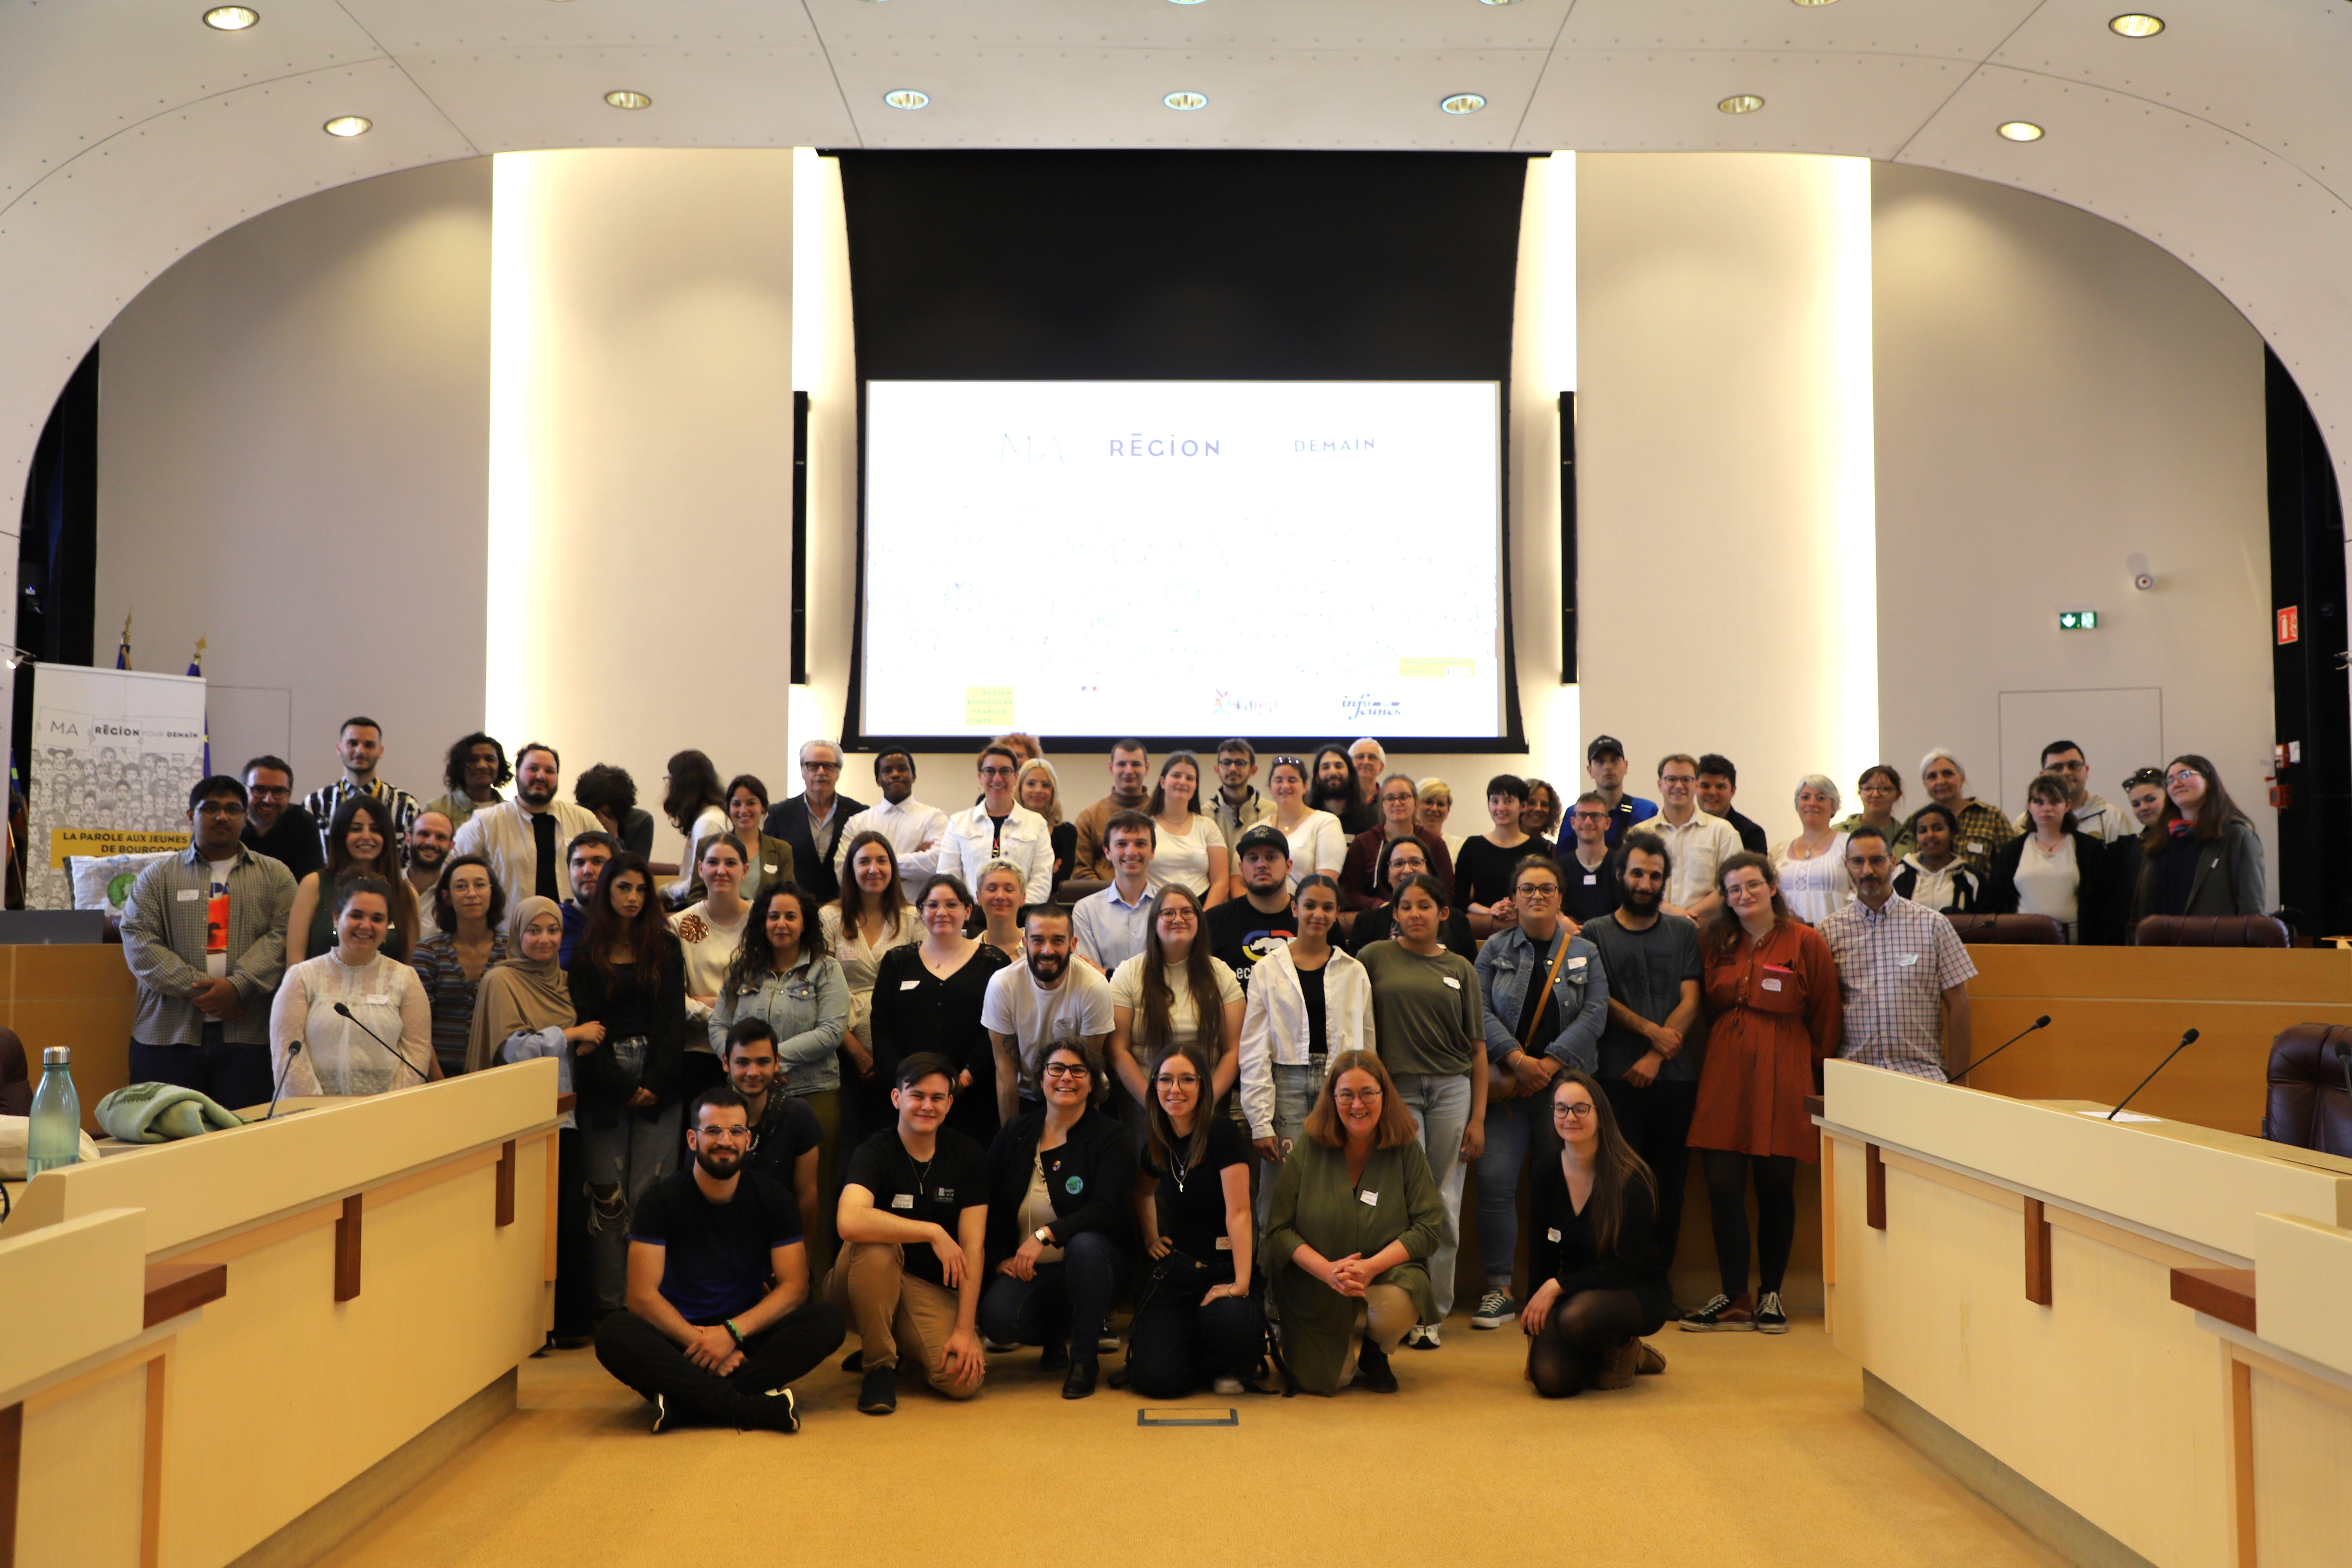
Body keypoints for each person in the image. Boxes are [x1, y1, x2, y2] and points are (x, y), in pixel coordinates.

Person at [593, 1086, 847, 1434]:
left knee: (828, 1320)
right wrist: (704, 1344)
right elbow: (641, 1296)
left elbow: (794, 1288)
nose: (725, 1140)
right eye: (713, 1131)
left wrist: (730, 1335)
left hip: (745, 1334)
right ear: (692, 1139)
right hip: (677, 1336)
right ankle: (747, 1406)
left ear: (748, 1140)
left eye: (736, 1132)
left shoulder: (775, 1199)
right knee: (613, 1333)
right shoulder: (661, 1201)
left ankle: (685, 1401)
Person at [1681, 853, 1841, 1334]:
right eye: (1733, 889)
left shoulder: (1806, 941)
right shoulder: (1714, 942)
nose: (1744, 895)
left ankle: (1772, 1293)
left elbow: (1826, 1015)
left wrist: (1804, 1070)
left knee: (1776, 1188)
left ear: (1772, 886)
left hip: (1786, 1073)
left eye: (1752, 885)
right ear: (1725, 898)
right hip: (1725, 1072)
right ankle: (1734, 1295)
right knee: (1723, 1186)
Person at [1470, 854, 1607, 1332]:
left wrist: (1548, 1064)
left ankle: (1560, 1285)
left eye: (1546, 889)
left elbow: (1595, 1013)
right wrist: (1515, 1058)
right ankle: (1499, 1288)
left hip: (1563, 1090)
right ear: (1514, 897)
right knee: (1495, 1183)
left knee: (1566, 1190)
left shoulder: (1584, 951)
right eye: (1527, 889)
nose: (1537, 897)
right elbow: (1479, 1007)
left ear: (1560, 896)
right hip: (1508, 1089)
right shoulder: (1493, 949)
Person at [1263, 1051, 1444, 1395]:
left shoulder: (1406, 1149)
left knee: (1395, 1303)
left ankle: (1377, 1352)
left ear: (1384, 1096)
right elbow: (1278, 1231)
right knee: (1325, 1382)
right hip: (1316, 1281)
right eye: (1346, 1094)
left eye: (1367, 1094)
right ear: (1332, 1098)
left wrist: (1372, 1268)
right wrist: (1327, 1271)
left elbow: (1428, 1228)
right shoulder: (1309, 1147)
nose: (1357, 1105)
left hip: (1385, 1276)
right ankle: (1330, 1341)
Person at [1356, 872, 1486, 1347]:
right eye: (1406, 906)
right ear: (1394, 913)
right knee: (1408, 1203)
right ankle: (1403, 1303)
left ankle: (1434, 1310)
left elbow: (1477, 1049)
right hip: (1399, 1090)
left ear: (1443, 913)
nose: (1415, 914)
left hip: (1453, 1090)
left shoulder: (1461, 968)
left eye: (1425, 906)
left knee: (1445, 1204)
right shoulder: (1374, 958)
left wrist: (1478, 1118)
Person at [121, 774, 297, 1108]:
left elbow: (284, 936)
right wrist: (201, 990)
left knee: (244, 1144)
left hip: (250, 1036)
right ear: (191, 815)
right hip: (167, 1036)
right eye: (211, 808)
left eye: (233, 809)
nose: (222, 817)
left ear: (246, 817)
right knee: (162, 1144)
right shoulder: (158, 876)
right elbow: (139, 939)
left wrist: (238, 986)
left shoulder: (276, 876)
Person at [830, 1053, 991, 1413]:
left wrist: (966, 1328)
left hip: (926, 1287)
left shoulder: (968, 1155)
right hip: (858, 1280)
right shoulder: (874, 1151)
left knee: (960, 1379)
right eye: (917, 1095)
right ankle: (880, 1368)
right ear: (896, 1098)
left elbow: (974, 1247)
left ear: (950, 1103)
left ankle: (900, 1348)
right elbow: (850, 1221)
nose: (927, 1106)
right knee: (877, 1248)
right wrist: (933, 1232)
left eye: (937, 1098)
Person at [567, 851, 691, 1315]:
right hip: (604, 1082)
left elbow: (673, 1022)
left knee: (650, 1197)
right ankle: (610, 1310)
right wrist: (622, 1085)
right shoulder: (587, 950)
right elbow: (585, 1025)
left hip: (661, 1078)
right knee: (608, 1200)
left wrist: (654, 1081)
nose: (634, 897)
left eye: (642, 889)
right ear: (606, 891)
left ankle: (650, 1307)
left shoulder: (665, 944)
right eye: (624, 888)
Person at [476, 895, 600, 1345]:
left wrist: (583, 1041)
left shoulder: (567, 982)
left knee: (567, 1217)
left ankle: (566, 1322)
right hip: (518, 1122)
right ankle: (523, 1326)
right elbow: (511, 1049)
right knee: (522, 1223)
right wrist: (570, 1035)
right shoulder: (501, 980)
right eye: (534, 930)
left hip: (563, 1118)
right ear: (517, 934)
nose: (545, 939)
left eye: (553, 930)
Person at [980, 1041, 1135, 1398]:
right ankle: (1053, 1337)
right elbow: (985, 1202)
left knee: (1085, 1243)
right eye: (1056, 1069)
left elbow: (1109, 1208)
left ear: (1093, 1083)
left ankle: (1084, 1358)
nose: (1067, 1078)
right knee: (1000, 1321)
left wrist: (1045, 1234)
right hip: (1032, 1271)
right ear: (1040, 1079)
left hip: (1100, 1267)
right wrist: (998, 1259)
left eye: (1078, 1071)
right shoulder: (1016, 1132)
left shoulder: (1111, 1136)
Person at [1582, 831, 1706, 1276]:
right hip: (1616, 1078)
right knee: (1622, 1185)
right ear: (1620, 874)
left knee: (1670, 1189)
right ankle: (1622, 1277)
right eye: (1637, 872)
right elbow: (1601, 999)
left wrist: (1656, 1055)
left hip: (1675, 1081)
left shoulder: (1683, 931)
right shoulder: (1595, 932)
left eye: (1655, 876)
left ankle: (1657, 1284)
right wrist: (1654, 1032)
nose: (1645, 883)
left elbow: (1692, 1000)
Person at [710, 882, 848, 1268]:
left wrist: (769, 1062)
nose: (781, 923)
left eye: (791, 916)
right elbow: (720, 1024)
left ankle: (811, 1289)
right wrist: (749, 1066)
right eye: (774, 915)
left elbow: (832, 1030)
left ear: (805, 923)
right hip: (744, 1099)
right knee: (742, 1192)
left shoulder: (827, 968)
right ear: (762, 921)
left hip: (813, 1093)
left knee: (811, 1198)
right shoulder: (743, 969)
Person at [1522, 1071, 1674, 1396]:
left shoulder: (1633, 1177)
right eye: (1561, 1109)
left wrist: (1556, 1287)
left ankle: (1627, 1347)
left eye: (1581, 1108)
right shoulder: (1546, 1170)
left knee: (1577, 1317)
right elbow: (1541, 1253)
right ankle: (1597, 1352)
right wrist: (1536, 1323)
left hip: (1634, 1290)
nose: (1570, 1117)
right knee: (1551, 1381)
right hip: (1575, 1291)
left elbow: (1624, 1268)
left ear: (1601, 1116)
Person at [1131, 1042, 1262, 1398]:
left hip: (1224, 1266)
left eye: (1187, 1080)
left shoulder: (1222, 1133)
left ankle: (1227, 1359)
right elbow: (1143, 1193)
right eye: (1166, 1080)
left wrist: (1241, 1282)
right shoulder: (1157, 1143)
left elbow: (1240, 1213)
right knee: (1156, 1381)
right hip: (1180, 1270)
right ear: (1155, 1087)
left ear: (1203, 1086)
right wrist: (1150, 1238)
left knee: (1232, 1323)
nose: (1176, 1090)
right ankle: (1194, 1350)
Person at [1238, 875, 1373, 1204]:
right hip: (1286, 1084)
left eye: (1328, 908)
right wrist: (1260, 1122)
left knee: (1340, 1186)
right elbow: (1255, 1048)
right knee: (1282, 1191)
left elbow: (1368, 1044)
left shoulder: (1353, 970)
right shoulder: (1267, 969)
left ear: (1337, 912)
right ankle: (1274, 1258)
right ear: (1295, 908)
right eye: (1310, 905)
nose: (1318, 914)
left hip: (1341, 1083)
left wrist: (1367, 1096)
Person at [1821, 827, 1979, 1081]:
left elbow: (1959, 1005)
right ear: (1846, 865)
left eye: (1877, 861)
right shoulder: (1828, 932)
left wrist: (1960, 1081)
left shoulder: (1933, 925)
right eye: (1858, 862)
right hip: (1854, 1076)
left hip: (1921, 1075)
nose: (1868, 871)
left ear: (1893, 862)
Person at [870, 875, 1014, 1144]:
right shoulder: (897, 961)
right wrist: (906, 1084)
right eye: (933, 905)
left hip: (973, 1095)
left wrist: (965, 1079)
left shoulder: (994, 962)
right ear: (921, 911)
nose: (942, 912)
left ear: (968, 911)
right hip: (908, 1098)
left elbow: (997, 1029)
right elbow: (882, 1025)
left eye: (952, 904)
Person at [269, 876, 435, 1095]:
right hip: (311, 1114)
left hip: (385, 1116)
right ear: (337, 919)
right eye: (356, 915)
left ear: (387, 927)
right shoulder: (302, 977)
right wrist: (317, 1112)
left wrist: (386, 1109)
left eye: (378, 919)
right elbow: (287, 1056)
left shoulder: (406, 979)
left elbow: (417, 1054)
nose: (366, 926)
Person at [1109, 885, 1244, 1136]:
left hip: (1208, 1101)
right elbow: (1118, 1050)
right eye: (1168, 913)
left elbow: (1234, 1050)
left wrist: (1205, 1103)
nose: (1178, 919)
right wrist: (1154, 1102)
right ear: (1154, 922)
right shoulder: (1128, 974)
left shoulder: (1221, 974)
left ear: (1199, 920)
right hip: (1144, 1104)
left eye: (1186, 912)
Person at [983, 902, 1114, 1125]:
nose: (1047, 950)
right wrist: (1011, 1138)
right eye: (1038, 940)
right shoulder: (1003, 984)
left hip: (1076, 1092)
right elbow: (1006, 1074)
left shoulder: (1094, 986)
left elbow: (1089, 1071)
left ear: (1073, 944)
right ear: (1025, 943)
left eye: (1058, 941)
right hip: (1025, 1095)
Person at [820, 831, 915, 1132]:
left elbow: (920, 988)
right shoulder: (830, 917)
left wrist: (887, 1058)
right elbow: (822, 990)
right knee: (847, 1137)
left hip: (900, 1047)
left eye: (882, 861)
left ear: (893, 868)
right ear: (851, 870)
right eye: (864, 862)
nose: (873, 869)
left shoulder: (913, 918)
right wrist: (858, 1054)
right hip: (841, 1045)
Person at [718, 1018, 825, 1270]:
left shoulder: (799, 1115)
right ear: (726, 1063)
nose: (753, 1073)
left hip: (779, 1251)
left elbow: (807, 1197)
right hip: (720, 1251)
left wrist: (802, 1262)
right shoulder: (708, 1113)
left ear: (777, 1062)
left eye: (763, 1062)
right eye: (742, 1062)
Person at [449, 742, 603, 909]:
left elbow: (615, 867)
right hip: (507, 931)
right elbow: (452, 871)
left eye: (549, 771)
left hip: (573, 929)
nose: (541, 777)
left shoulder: (583, 819)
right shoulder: (485, 822)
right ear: (517, 774)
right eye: (533, 769)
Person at [1984, 773, 2123, 943]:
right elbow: (1997, 903)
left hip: (2077, 944)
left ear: (2067, 805)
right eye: (2039, 802)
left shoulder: (2091, 850)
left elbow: (2107, 905)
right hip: (2022, 943)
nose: (2047, 808)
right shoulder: (2010, 852)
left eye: (2054, 802)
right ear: (2029, 806)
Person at [912, 744, 1055, 907]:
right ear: (980, 777)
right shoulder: (959, 822)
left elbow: (1041, 880)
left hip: (1021, 918)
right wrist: (968, 910)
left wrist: (1015, 910)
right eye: (990, 771)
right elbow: (948, 878)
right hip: (970, 917)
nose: (997, 779)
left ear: (1016, 777)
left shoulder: (1037, 824)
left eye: (1005, 771)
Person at [2131, 753, 2267, 924]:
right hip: (2161, 945)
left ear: (2209, 781)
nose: (2177, 784)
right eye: (2170, 780)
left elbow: (2252, 906)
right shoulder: (2160, 839)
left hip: (2215, 945)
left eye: (2185, 775)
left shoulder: (2236, 836)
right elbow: (2141, 907)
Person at [672, 833, 753, 1117]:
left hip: (753, 1051)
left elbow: (769, 992)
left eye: (731, 863)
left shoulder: (763, 921)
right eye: (713, 862)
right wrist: (725, 1010)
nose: (721, 870)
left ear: (745, 870)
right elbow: (673, 1000)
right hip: (699, 1052)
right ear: (700, 869)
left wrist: (711, 1002)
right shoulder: (680, 925)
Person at [285, 794, 421, 965]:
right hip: (317, 990)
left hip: (384, 991)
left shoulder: (406, 894)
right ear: (341, 835)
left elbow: (411, 968)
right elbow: (294, 964)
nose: (366, 836)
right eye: (356, 829)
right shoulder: (314, 884)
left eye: (376, 829)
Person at [408, 853, 507, 1078]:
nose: (471, 894)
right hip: (438, 1072)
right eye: (461, 887)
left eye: (480, 885)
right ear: (447, 897)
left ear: (492, 892)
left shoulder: (512, 950)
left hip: (500, 1072)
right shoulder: (428, 951)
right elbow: (418, 1025)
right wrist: (439, 1081)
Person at [761, 740, 865, 907]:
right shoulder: (780, 814)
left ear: (838, 772)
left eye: (828, 766)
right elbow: (768, 863)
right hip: (795, 910)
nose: (821, 772)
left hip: (845, 909)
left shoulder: (859, 814)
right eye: (813, 766)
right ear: (803, 771)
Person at [835, 750, 947, 903]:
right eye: (887, 771)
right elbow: (843, 870)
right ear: (878, 780)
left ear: (913, 776)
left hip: (918, 912)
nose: (895, 774)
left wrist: (873, 868)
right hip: (866, 912)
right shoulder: (857, 823)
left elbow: (938, 863)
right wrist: (912, 861)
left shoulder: (934, 818)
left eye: (902, 769)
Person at [302, 716, 421, 856]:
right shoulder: (316, 804)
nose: (360, 751)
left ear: (381, 751)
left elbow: (411, 863)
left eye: (369, 745)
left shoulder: (406, 806)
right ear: (339, 748)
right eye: (353, 744)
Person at [1890, 749, 2019, 877]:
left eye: (1948, 774)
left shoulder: (1992, 817)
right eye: (1932, 777)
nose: (1940, 781)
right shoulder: (1915, 821)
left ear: (1962, 779)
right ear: (1925, 784)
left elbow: (2012, 866)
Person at [1642, 755, 1740, 922]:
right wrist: (1672, 912)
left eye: (1686, 780)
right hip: (1651, 928)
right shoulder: (1641, 834)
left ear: (1696, 785)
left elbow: (1732, 884)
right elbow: (1630, 884)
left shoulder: (1723, 832)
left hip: (1706, 932)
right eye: (1671, 779)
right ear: (1660, 785)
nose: (1679, 786)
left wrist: (1688, 916)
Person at [1338, 772, 1455, 913]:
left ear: (1416, 803)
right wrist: (1379, 906)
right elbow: (1349, 894)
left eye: (1404, 797)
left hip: (1423, 918)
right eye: (1390, 798)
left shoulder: (1435, 843)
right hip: (1376, 919)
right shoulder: (1363, 843)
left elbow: (1448, 892)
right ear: (1381, 805)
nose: (1397, 803)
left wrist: (1422, 907)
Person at [1347, 837, 1476, 958]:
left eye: (1415, 862)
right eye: (1398, 864)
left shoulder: (1458, 921)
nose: (1407, 870)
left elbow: (1471, 974)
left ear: (1429, 870)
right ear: (1387, 875)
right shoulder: (1366, 923)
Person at [1206, 825, 1297, 993]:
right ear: (1241, 868)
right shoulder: (1214, 921)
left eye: (1271, 857)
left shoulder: (1311, 919)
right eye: (1253, 858)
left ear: (1289, 866)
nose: (1262, 865)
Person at [1453, 775, 1546, 937]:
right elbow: (1460, 898)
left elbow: (1546, 892)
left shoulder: (1538, 848)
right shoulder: (1473, 846)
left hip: (1527, 928)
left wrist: (1518, 907)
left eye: (1508, 801)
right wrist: (1490, 911)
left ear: (1523, 806)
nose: (1500, 808)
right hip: (1483, 929)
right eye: (1495, 801)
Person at [686, 775, 796, 905]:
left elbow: (790, 898)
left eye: (751, 803)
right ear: (729, 809)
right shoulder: (707, 845)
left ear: (764, 808)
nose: (743, 811)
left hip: (764, 923)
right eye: (737, 804)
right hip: (719, 922)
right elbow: (696, 897)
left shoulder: (782, 850)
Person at [1073, 810, 1157, 974]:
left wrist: (1108, 973)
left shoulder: (1169, 906)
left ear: (1153, 851)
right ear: (1108, 852)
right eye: (1121, 844)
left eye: (1140, 844)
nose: (1131, 852)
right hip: (1104, 1000)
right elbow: (1090, 974)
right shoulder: (1086, 910)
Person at [1145, 751, 1230, 905]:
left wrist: (1204, 919)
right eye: (1176, 776)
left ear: (1195, 786)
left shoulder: (1207, 826)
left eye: (1190, 778)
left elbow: (1221, 882)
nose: (1183, 782)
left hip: (1201, 911)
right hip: (1154, 912)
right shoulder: (1146, 827)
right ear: (1163, 782)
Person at [1772, 775, 1852, 926]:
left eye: (1821, 798)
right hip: (1789, 939)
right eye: (1805, 797)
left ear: (1834, 807)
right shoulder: (1779, 851)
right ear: (1797, 805)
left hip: (1838, 937)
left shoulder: (1848, 845)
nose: (1812, 803)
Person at [2018, 740, 2134, 842]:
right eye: (2057, 768)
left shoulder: (2114, 819)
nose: (2066, 773)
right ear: (2043, 776)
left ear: (2087, 771)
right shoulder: (2025, 823)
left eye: (2074, 766)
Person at [1071, 739, 1153, 881]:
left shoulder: (1163, 812)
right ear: (1111, 768)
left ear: (1146, 768)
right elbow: (1080, 869)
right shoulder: (1090, 817)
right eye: (1122, 764)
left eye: (1136, 764)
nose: (1129, 771)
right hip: (1101, 898)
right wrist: (1111, 897)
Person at [1264, 754, 1345, 892]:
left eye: (1292, 780)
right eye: (1279, 780)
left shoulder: (1326, 823)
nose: (1285, 786)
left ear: (1305, 786)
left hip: (1306, 910)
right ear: (1270, 787)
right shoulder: (1258, 828)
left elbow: (1325, 884)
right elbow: (1239, 881)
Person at [660, 749, 729, 904]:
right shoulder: (712, 817)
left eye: (670, 780)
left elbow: (698, 884)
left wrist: (661, 891)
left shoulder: (707, 823)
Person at [239, 755, 323, 880]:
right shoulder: (229, 823)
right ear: (243, 792)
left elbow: (312, 884)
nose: (269, 799)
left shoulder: (303, 824)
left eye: (278, 792)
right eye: (259, 790)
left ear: (289, 795)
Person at [1891, 804, 1983, 914]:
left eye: (1937, 829)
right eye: (1923, 831)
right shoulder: (1898, 873)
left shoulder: (1971, 878)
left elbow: (1983, 924)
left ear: (1953, 834)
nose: (1930, 835)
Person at [1556, 792, 1622, 926]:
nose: (1588, 822)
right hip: (1569, 940)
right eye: (1582, 816)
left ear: (1607, 823)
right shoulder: (1558, 868)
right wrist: (1562, 920)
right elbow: (1548, 904)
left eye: (1596, 816)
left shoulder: (1622, 866)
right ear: (1573, 823)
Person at [423, 732, 510, 831]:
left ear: (500, 767)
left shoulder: (512, 813)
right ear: (459, 767)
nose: (482, 766)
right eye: (473, 760)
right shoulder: (437, 809)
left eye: (490, 759)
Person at [1012, 758, 1078, 888]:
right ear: (1020, 789)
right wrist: (1045, 872)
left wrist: (1024, 872)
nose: (1038, 790)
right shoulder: (1006, 827)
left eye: (1046, 785)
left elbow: (1059, 881)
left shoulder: (1067, 832)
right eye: (1031, 784)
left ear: (1053, 791)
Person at [559, 830, 618, 966]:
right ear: (569, 873)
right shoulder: (553, 922)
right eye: (579, 863)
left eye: (598, 862)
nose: (587, 871)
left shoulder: (634, 920)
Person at [1585, 736, 1657, 848]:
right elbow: (1563, 861)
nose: (1608, 767)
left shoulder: (1647, 811)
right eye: (1600, 762)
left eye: (1615, 760)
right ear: (1590, 771)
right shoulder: (1578, 814)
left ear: (1626, 766)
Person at [575, 763, 656, 859]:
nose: (599, 820)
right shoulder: (576, 815)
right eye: (594, 813)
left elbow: (634, 871)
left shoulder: (641, 822)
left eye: (607, 814)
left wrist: (613, 837)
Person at [1210, 739, 1275, 857]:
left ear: (1253, 770)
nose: (1233, 769)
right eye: (1226, 763)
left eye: (1240, 763)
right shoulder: (1204, 814)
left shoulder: (1273, 812)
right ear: (1217, 769)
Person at [1695, 753, 1769, 854]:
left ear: (1733, 791)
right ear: (1695, 788)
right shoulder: (1684, 828)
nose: (1712, 793)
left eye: (1720, 787)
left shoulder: (1752, 834)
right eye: (1705, 786)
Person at [401, 810, 454, 940]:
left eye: (441, 838)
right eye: (424, 834)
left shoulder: (454, 895)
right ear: (408, 839)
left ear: (451, 847)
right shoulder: (387, 884)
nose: (431, 843)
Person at [1308, 745, 1373, 836]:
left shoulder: (1370, 817)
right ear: (1317, 778)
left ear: (1350, 774)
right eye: (1326, 767)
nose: (1333, 772)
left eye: (1339, 766)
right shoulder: (1306, 818)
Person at [1834, 764, 1905, 841]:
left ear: (1898, 795)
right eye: (1868, 789)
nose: (1875, 795)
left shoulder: (1908, 838)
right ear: (1860, 793)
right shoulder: (1838, 833)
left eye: (1885, 789)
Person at [973, 860, 1027, 956]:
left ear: (1023, 898)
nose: (1000, 896)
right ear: (979, 897)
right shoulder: (968, 954)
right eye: (992, 889)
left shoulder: (1037, 949)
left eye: (1009, 890)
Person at [1416, 778, 1465, 863]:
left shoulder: (1459, 847)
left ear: (1448, 810)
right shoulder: (1402, 844)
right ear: (1415, 806)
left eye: (1441, 804)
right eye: (1428, 802)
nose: (1435, 809)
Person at [1348, 738, 1387, 826]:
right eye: (1360, 757)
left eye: (1372, 758)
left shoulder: (1388, 801)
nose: (1366, 762)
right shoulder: (1340, 801)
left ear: (1381, 767)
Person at [1521, 778, 1564, 843]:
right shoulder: (1502, 847)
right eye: (1531, 803)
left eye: (1544, 805)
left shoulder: (1553, 851)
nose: (1538, 809)